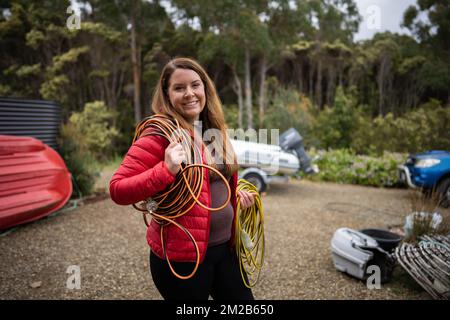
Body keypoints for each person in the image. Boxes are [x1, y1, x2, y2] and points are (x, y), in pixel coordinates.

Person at [109, 57, 256, 300]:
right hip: (183, 260)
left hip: (225, 250)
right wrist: (165, 170)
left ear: (205, 89)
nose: (189, 93)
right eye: (179, 88)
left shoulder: (211, 130)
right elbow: (117, 190)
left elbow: (214, 181)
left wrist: (235, 194)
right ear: (167, 96)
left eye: (195, 85)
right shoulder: (158, 135)